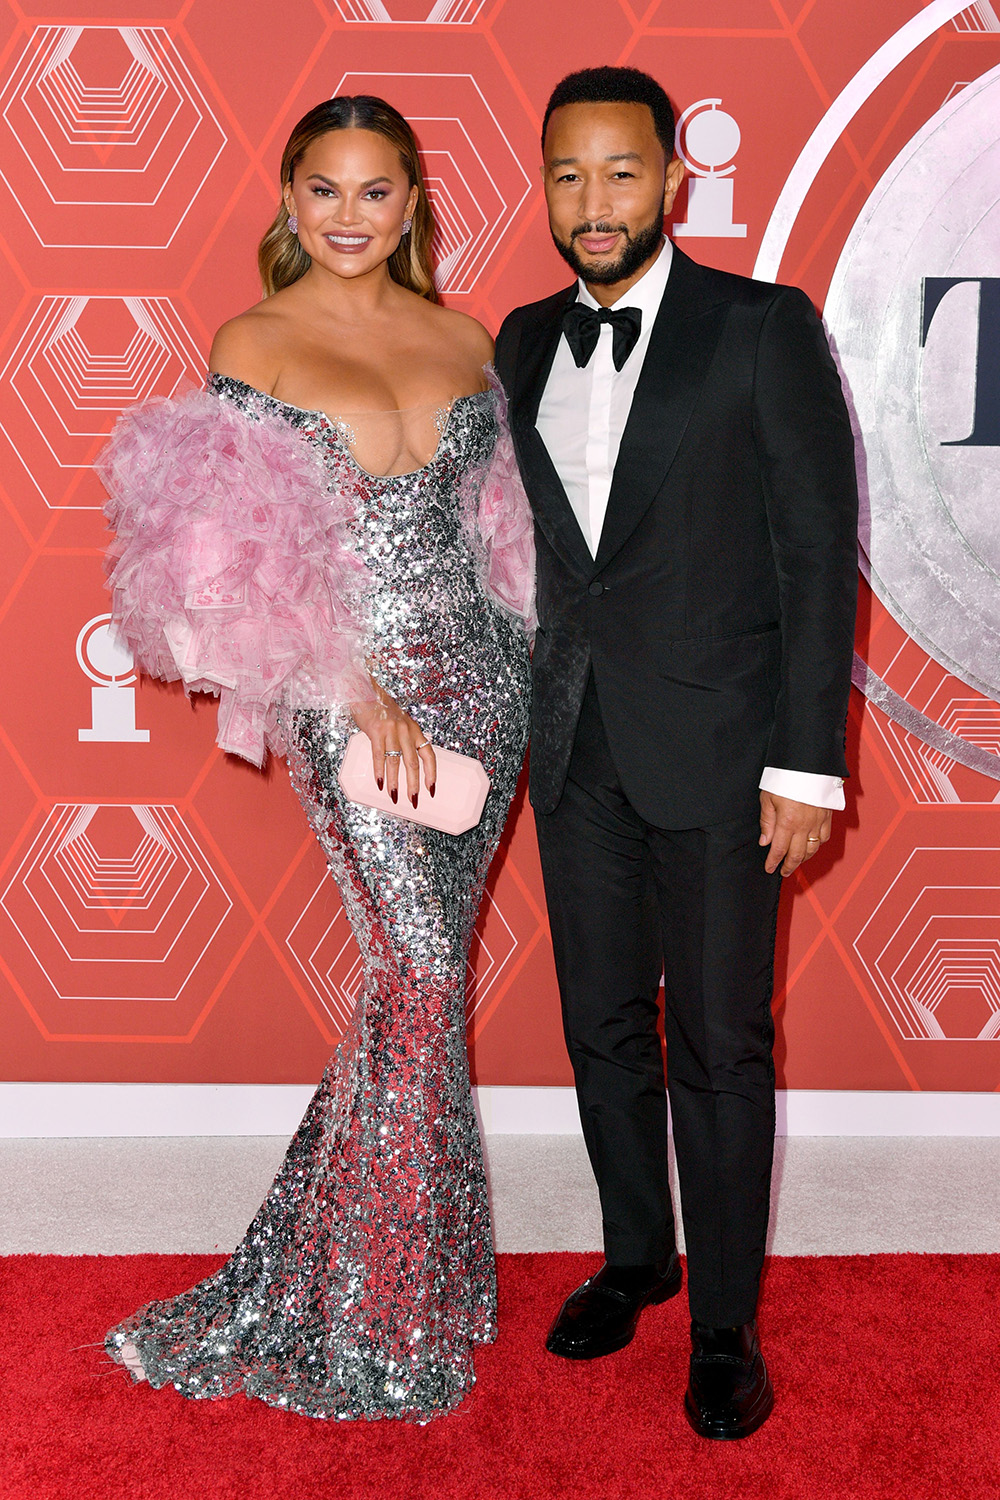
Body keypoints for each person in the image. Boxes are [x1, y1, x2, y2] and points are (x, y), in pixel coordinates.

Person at [99, 95, 534, 1422]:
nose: (350, 216)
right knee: (414, 962)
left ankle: (418, 1274)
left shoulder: (467, 338)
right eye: (325, 191)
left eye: (377, 192)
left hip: (485, 682)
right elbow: (234, 555)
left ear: (415, 205)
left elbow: (506, 531)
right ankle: (380, 1307)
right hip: (352, 687)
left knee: (427, 978)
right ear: (290, 202)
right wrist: (355, 691)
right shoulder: (258, 342)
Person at [494, 66, 858, 1441]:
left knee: (718, 1044)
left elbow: (819, 556)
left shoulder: (758, 328)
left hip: (721, 753)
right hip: (573, 747)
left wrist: (806, 762)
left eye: (621, 173)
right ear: (544, 185)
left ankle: (723, 1326)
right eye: (569, 177)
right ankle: (638, 1256)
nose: (595, 203)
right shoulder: (519, 342)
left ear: (674, 180)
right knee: (600, 1030)